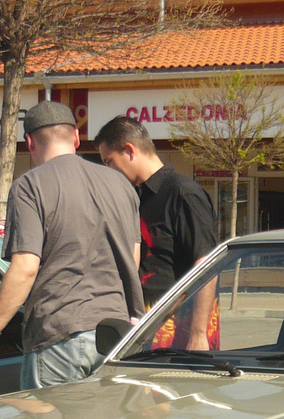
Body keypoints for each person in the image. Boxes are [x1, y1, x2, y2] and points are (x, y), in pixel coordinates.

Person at [0, 102, 143, 387]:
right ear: (77, 138)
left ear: (29, 142)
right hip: (116, 337)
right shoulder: (121, 184)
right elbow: (132, 258)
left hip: (59, 337)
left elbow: (26, 268)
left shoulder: (29, 187)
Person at [94, 116, 219, 348]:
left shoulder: (183, 194)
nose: (108, 170)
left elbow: (207, 264)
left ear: (129, 150)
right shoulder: (137, 197)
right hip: (146, 329)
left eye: (109, 161)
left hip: (183, 334)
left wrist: (199, 333)